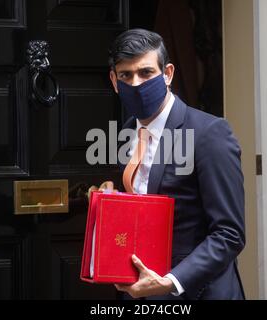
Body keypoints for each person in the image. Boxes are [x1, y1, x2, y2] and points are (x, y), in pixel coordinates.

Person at [92, 28, 245, 300]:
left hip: (197, 293)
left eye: (146, 72)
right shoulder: (126, 132)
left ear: (168, 74)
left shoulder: (209, 133)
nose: (136, 83)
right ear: (114, 81)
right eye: (126, 75)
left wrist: (170, 282)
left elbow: (229, 234)